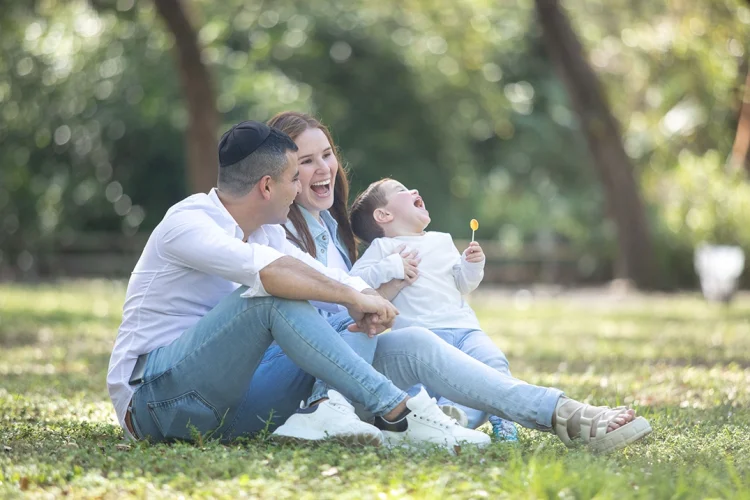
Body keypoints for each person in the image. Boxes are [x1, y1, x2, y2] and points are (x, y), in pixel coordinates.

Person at [262, 111, 652, 454]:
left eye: (327, 154)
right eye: (307, 161)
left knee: (433, 346)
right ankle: (557, 415)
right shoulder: (278, 233)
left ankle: (561, 413)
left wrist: (387, 293)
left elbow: (360, 306)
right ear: (283, 173)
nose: (324, 168)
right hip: (312, 374)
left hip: (352, 361)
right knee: (408, 341)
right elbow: (318, 314)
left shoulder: (331, 231)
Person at [107, 120, 492, 451]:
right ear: (266, 186)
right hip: (155, 401)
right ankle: (397, 412)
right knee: (269, 299)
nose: (297, 191)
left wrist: (363, 298)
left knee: (342, 319)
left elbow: (319, 274)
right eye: (294, 178)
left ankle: (331, 410)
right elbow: (271, 275)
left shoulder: (267, 233)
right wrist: (352, 296)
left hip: (222, 411)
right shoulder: (187, 223)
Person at [347, 177, 519, 440]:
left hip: (464, 329)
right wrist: (391, 266)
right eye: (401, 190)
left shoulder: (442, 240)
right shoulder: (384, 248)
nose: (414, 189)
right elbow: (354, 282)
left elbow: (462, 284)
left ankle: (486, 418)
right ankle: (440, 420)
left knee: (493, 362)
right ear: (383, 215)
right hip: (421, 340)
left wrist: (472, 266)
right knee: (421, 393)